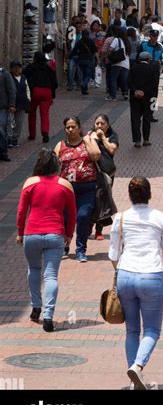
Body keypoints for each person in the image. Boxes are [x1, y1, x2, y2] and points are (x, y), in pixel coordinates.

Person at [109, 177, 163, 389]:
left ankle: (134, 380)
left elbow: (113, 254)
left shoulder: (120, 218)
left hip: (125, 275)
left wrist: (121, 273)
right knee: (151, 330)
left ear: (130, 195)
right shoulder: (160, 218)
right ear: (149, 194)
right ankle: (138, 367)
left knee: (132, 331)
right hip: (152, 276)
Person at [16, 148, 77, 332]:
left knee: (33, 269)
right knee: (51, 276)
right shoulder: (65, 185)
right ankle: (48, 316)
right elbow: (72, 213)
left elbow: (21, 211)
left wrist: (20, 232)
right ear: (56, 165)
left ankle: (36, 305)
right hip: (55, 234)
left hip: (32, 233)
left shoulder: (30, 182)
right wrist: (69, 234)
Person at [54, 117, 101, 262]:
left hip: (87, 188)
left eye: (73, 127)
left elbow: (96, 155)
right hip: (66, 190)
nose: (70, 129)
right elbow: (53, 165)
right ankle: (64, 246)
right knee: (65, 219)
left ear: (79, 128)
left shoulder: (87, 142)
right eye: (67, 127)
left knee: (83, 216)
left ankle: (81, 249)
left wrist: (87, 140)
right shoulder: (60, 145)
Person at [89, 114, 119, 239]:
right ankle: (89, 226)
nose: (99, 126)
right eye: (97, 123)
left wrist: (103, 138)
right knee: (92, 198)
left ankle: (99, 230)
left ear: (108, 124)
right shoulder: (90, 136)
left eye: (102, 123)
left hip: (107, 173)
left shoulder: (112, 136)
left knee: (103, 199)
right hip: (93, 172)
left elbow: (112, 150)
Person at [24, 52, 58, 144]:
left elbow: (24, 77)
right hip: (47, 91)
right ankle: (45, 132)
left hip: (35, 91)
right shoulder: (49, 68)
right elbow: (55, 83)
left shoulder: (30, 67)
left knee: (32, 113)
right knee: (45, 114)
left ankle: (32, 134)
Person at [128, 53, 159, 147]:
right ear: (148, 59)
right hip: (149, 97)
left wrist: (136, 91)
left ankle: (137, 140)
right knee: (147, 118)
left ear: (139, 59)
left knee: (135, 118)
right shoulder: (153, 69)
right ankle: (146, 140)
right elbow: (155, 84)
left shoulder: (133, 68)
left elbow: (129, 81)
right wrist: (148, 93)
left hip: (135, 97)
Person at [7, 61, 29, 149]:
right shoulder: (9, 77)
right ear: (11, 69)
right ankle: (9, 139)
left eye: (18, 67)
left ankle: (15, 139)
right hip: (11, 104)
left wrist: (28, 99)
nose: (17, 69)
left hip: (22, 104)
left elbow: (27, 89)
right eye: (15, 67)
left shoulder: (23, 77)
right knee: (10, 122)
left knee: (19, 123)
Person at [69, 29, 97, 96]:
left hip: (80, 60)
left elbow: (74, 51)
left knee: (84, 74)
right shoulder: (91, 41)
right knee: (89, 75)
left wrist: (69, 57)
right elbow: (94, 50)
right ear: (88, 34)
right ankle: (83, 84)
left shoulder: (79, 42)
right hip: (88, 60)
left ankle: (84, 90)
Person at [107, 27, 131, 101]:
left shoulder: (117, 40)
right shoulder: (127, 42)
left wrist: (109, 56)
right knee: (123, 80)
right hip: (126, 64)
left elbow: (110, 49)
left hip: (117, 63)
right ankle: (125, 94)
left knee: (113, 79)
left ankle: (113, 96)